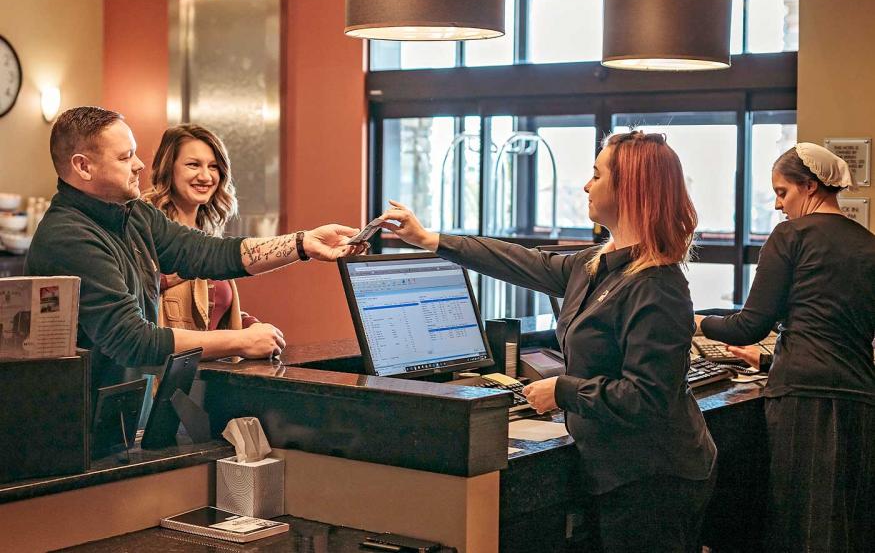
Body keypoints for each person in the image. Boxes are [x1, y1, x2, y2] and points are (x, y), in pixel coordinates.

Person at [381, 131, 716, 552]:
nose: (586, 185)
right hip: (618, 470)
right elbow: (521, 262)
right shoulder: (597, 264)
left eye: (597, 175)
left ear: (629, 189)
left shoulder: (658, 286)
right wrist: (431, 240)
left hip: (655, 477)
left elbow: (647, 397)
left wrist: (562, 389)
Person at [25, 106, 365, 394]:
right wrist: (239, 341)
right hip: (75, 428)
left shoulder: (134, 215)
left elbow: (208, 253)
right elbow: (134, 341)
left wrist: (302, 243)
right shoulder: (68, 236)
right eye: (126, 156)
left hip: (120, 416)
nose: (139, 165)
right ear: (83, 166)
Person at [696, 143, 875, 552]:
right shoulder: (869, 243)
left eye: (783, 192)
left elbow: (749, 325)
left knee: (799, 518)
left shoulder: (790, 236)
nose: (778, 205)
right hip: (860, 396)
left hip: (802, 398)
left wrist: (696, 323)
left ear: (810, 186)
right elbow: (840, 330)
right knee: (846, 519)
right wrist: (766, 357)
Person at [142, 125, 258, 343]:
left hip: (211, 371)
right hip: (164, 372)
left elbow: (212, 313)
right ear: (168, 168)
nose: (205, 176)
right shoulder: (144, 226)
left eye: (213, 166)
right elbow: (130, 294)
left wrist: (250, 326)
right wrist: (179, 273)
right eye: (193, 164)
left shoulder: (209, 232)